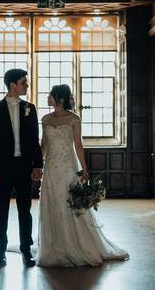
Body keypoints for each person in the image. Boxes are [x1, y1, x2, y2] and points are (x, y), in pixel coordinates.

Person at [37, 84, 129, 267]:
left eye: (50, 95)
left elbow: (78, 146)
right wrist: (38, 166)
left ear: (59, 98)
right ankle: (54, 245)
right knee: (52, 202)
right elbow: (44, 146)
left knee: (70, 202)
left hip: (69, 167)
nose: (47, 98)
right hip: (51, 168)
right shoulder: (45, 119)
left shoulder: (74, 119)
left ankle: (77, 245)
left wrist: (84, 170)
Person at [0, 68, 43, 267]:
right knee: (1, 209)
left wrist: (38, 164)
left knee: (24, 210)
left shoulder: (30, 108)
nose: (26, 85)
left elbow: (35, 139)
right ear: (13, 85)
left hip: (24, 166)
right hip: (2, 167)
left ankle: (26, 250)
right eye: (23, 82)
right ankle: (0, 250)